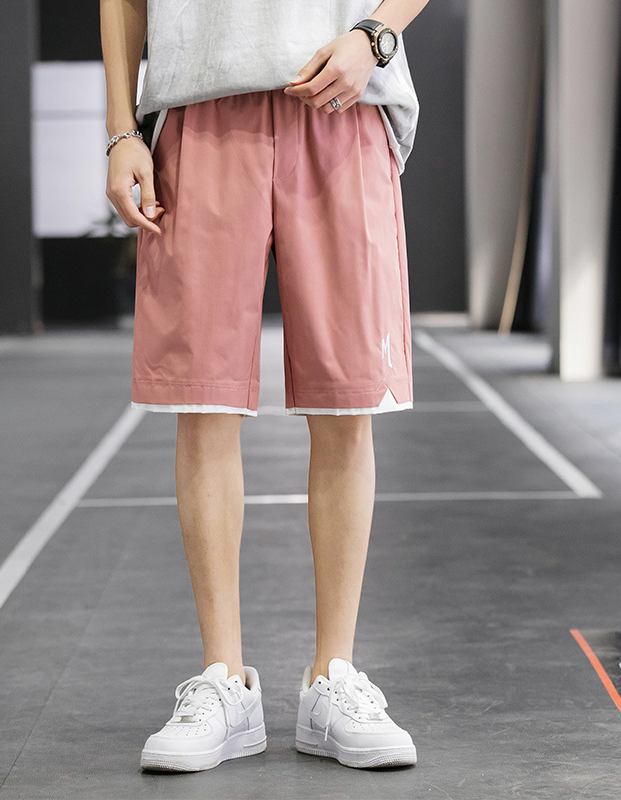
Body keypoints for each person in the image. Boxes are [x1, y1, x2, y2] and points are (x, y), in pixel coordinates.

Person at [100, 0, 430, 773]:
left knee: (348, 404)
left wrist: (376, 36)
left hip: (345, 100)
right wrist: (120, 131)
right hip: (197, 107)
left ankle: (333, 676)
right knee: (203, 403)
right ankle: (224, 681)